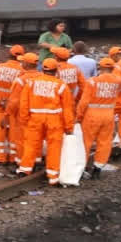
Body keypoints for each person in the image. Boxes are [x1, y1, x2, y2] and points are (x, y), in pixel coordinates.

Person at [16, 57, 74, 185]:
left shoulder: (31, 83)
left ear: (42, 69)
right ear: (56, 71)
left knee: (31, 144)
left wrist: (24, 119)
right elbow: (67, 108)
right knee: (54, 147)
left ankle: (24, 170)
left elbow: (24, 103)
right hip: (54, 120)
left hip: (35, 118)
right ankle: (53, 176)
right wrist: (68, 126)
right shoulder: (61, 85)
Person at [78, 57, 121, 177]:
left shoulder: (93, 81)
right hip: (108, 114)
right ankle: (98, 168)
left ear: (100, 68)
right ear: (112, 68)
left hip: (92, 115)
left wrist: (79, 116)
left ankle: (82, 168)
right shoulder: (118, 81)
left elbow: (84, 102)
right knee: (104, 142)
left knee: (86, 142)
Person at [0, 45, 25, 164]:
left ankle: (1, 158)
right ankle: (12, 157)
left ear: (9, 54)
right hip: (15, 107)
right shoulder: (23, 72)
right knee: (13, 132)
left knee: (0, 132)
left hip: (0, 105)